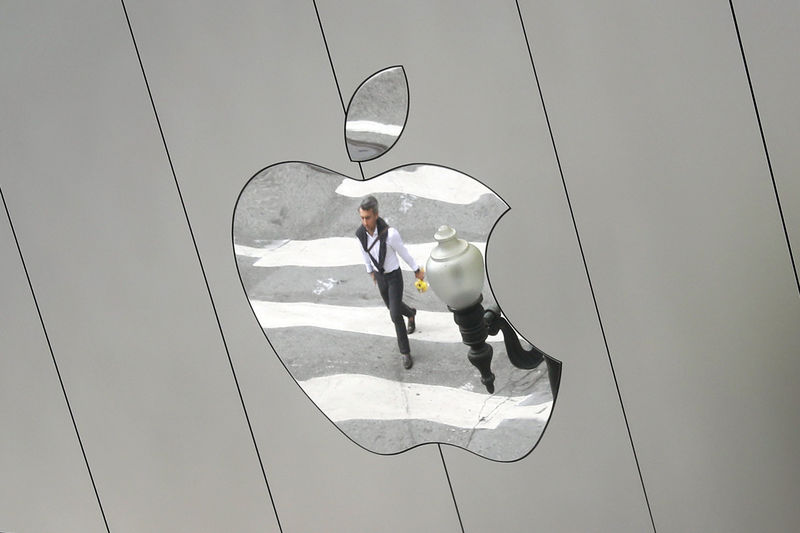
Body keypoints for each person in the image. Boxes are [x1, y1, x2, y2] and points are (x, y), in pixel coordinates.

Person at [356, 195, 425, 369]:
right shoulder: (360, 234)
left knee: (394, 314)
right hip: (380, 277)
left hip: (394, 277)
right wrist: (370, 271)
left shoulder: (390, 234)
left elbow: (404, 252)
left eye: (368, 217)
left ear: (376, 215)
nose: (365, 222)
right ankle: (410, 313)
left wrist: (417, 270)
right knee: (392, 307)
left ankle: (405, 352)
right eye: (362, 218)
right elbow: (365, 252)